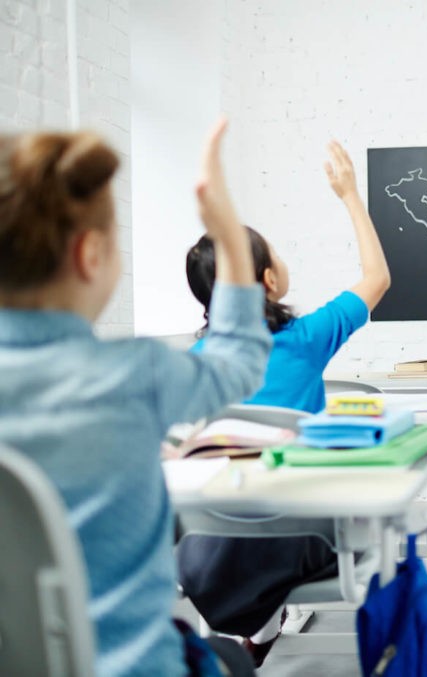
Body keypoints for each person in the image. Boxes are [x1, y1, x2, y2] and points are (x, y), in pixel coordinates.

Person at [0, 119, 271, 676]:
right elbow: (240, 360)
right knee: (229, 659)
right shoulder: (134, 375)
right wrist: (227, 235)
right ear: (90, 254)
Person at [178, 139, 390, 665]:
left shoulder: (198, 361)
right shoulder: (307, 338)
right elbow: (378, 278)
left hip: (218, 537)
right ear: (270, 281)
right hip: (305, 534)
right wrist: (350, 196)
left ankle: (256, 629)